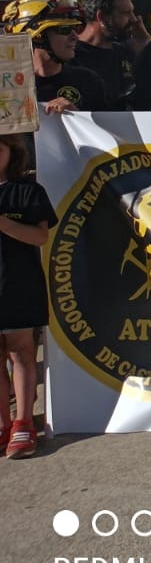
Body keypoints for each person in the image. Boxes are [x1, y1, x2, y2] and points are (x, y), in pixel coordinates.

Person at [0, 132, 55, 459]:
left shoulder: (28, 191)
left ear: (12, 152)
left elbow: (40, 236)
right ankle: (3, 423)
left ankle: (23, 421)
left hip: (19, 285)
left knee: (21, 352)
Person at [5, 0, 109, 113]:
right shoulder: (9, 88)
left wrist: (77, 117)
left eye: (76, 28)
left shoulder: (88, 81)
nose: (75, 36)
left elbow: (106, 129)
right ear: (37, 37)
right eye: (64, 29)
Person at [72, 0, 148, 106]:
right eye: (126, 13)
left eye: (132, 12)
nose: (134, 20)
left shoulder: (126, 52)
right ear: (101, 17)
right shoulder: (71, 55)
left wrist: (145, 45)